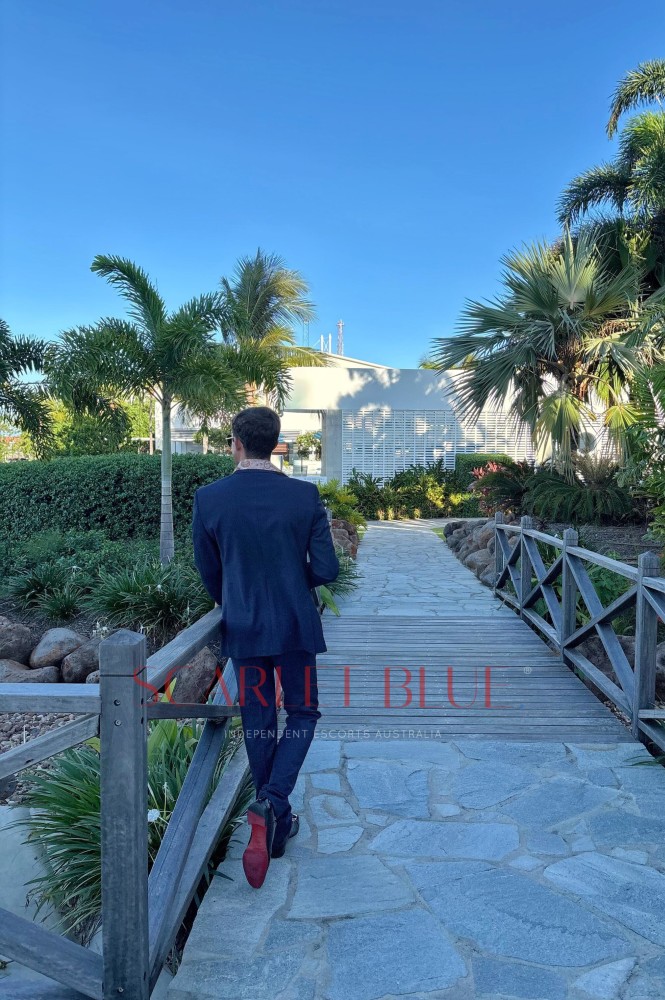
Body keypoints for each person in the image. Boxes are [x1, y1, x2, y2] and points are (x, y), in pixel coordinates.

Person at [191, 406, 339, 888]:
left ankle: (271, 814)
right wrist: (295, 581)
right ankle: (274, 807)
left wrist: (234, 598)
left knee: (258, 717)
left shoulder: (210, 499)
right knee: (303, 712)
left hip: (245, 628)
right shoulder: (304, 495)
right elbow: (327, 568)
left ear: (236, 443)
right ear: (276, 444)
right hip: (295, 625)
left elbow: (209, 571)